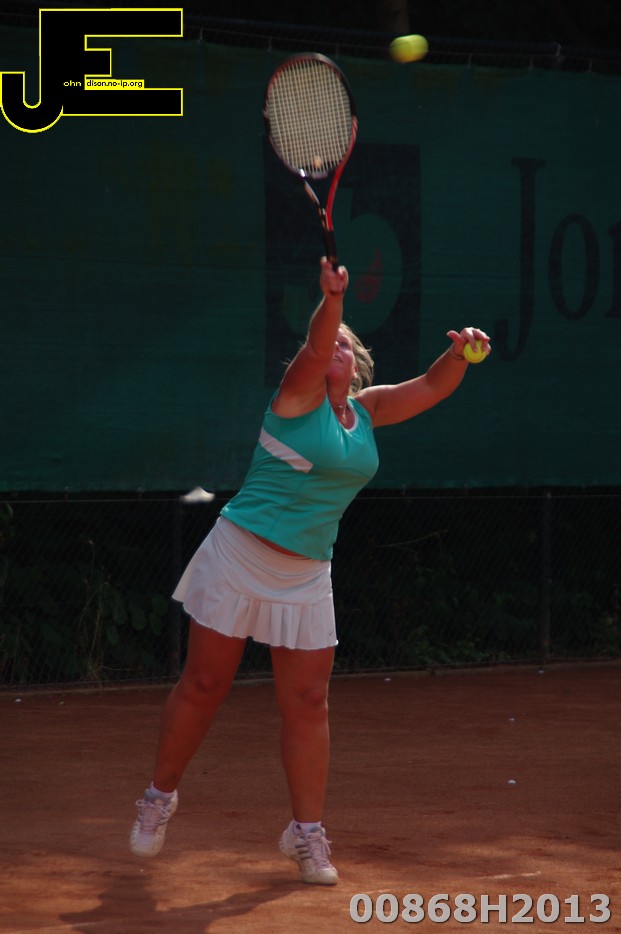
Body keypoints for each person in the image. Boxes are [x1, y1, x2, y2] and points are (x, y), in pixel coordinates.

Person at [129, 256, 491, 885]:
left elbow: (431, 387)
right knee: (205, 684)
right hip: (239, 556)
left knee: (307, 702)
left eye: (345, 346)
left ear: (357, 363)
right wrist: (333, 300)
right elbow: (319, 344)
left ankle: (306, 834)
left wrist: (461, 354)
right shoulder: (295, 399)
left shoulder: (367, 413)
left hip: (306, 575)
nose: (334, 351)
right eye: (327, 345)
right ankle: (158, 798)